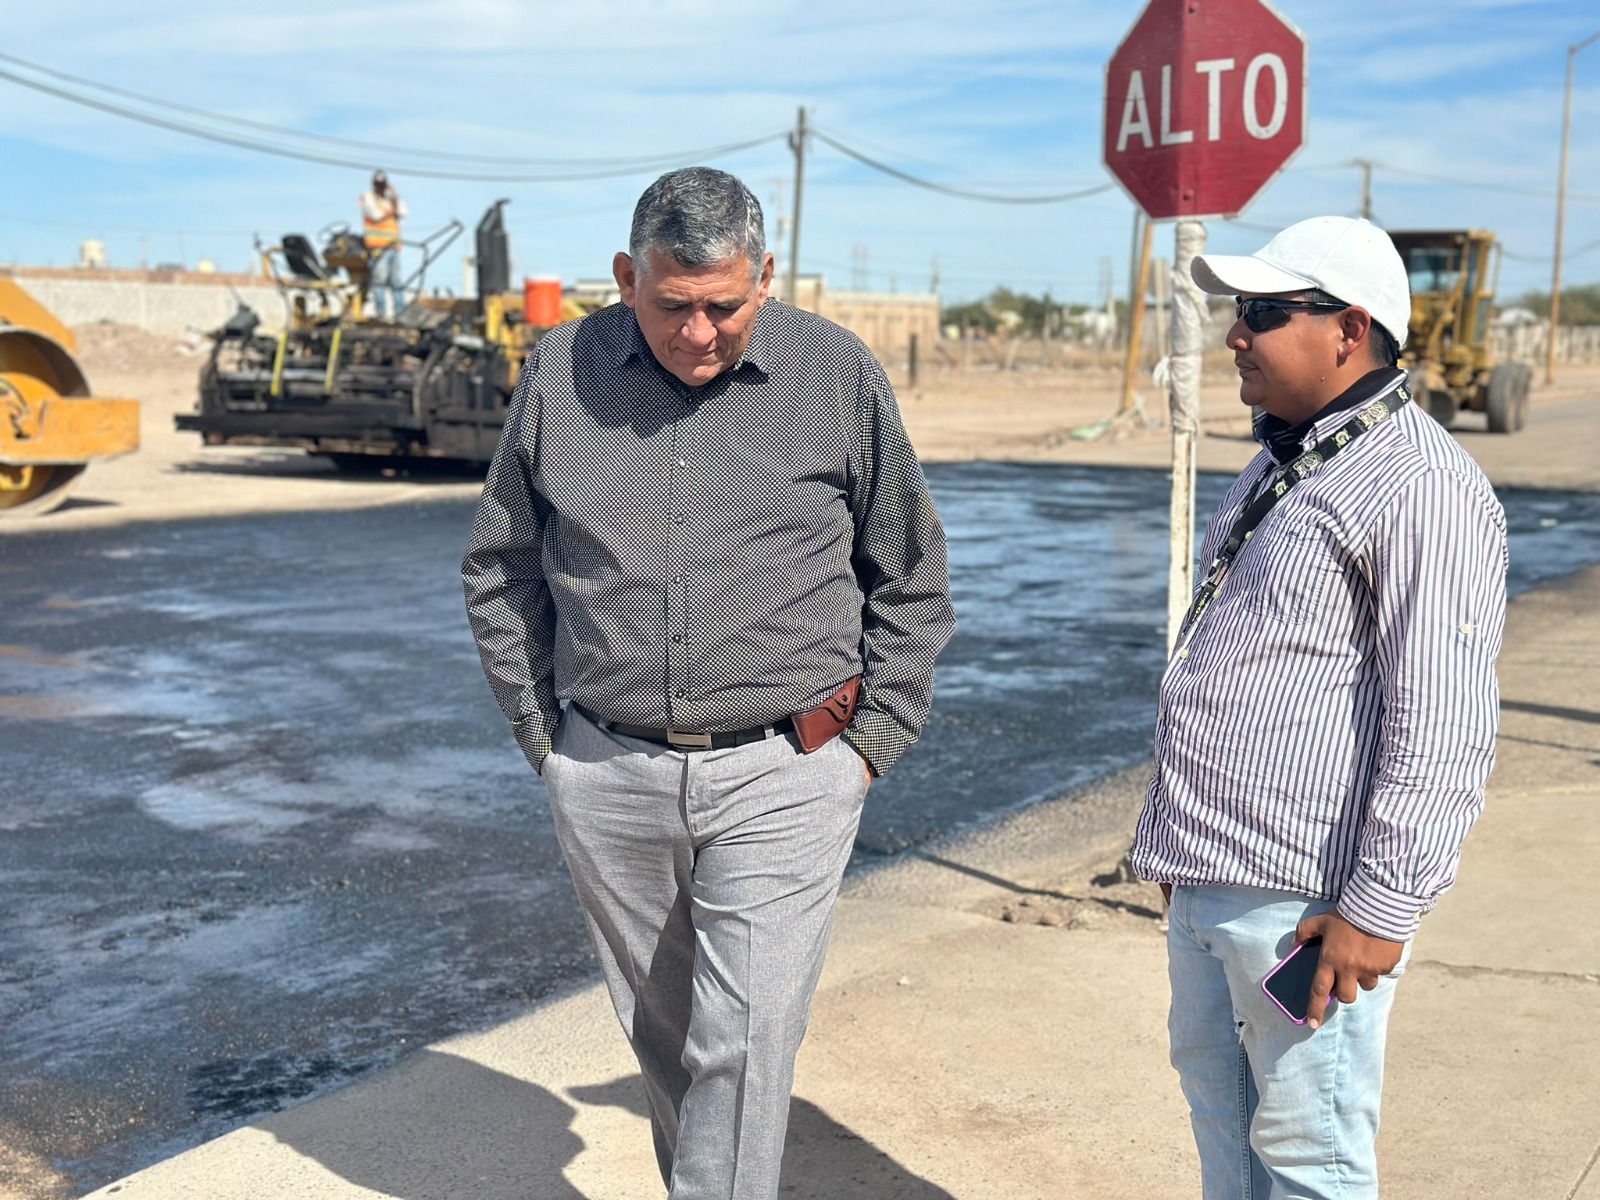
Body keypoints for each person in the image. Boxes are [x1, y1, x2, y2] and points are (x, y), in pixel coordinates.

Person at [462, 166, 955, 1199]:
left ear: (763, 278)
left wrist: (870, 744)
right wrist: (546, 741)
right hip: (606, 769)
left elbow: (908, 573)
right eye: (673, 307)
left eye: (723, 307)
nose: (698, 333)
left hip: (789, 770)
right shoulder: (560, 373)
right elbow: (502, 564)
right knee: (671, 1041)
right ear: (624, 278)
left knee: (741, 1044)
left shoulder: (835, 375)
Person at [1131, 215, 1507, 1198]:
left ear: (1347, 328)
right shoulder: (1287, 460)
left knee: (1308, 1162)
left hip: (1305, 910)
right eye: (1236, 312)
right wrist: (1176, 848)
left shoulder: (1418, 485)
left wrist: (1378, 909)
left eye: (1260, 312)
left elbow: (1442, 728)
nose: (1234, 336)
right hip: (1216, 883)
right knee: (1226, 1139)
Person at [359, 170, 408, 319]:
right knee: (379, 281)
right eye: (378, 185)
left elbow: (404, 213)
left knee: (396, 282)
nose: (381, 188)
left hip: (394, 247)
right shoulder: (367, 198)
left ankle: (401, 314)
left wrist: (394, 197)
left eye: (383, 185)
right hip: (378, 248)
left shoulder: (391, 200)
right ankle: (381, 314)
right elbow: (375, 215)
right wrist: (391, 210)